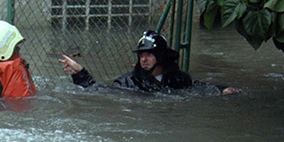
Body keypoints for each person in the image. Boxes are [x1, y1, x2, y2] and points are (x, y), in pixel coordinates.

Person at [59, 30, 237, 95]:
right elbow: (100, 90)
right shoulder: (129, 82)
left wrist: (220, 90)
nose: (144, 59)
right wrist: (80, 72)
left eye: (149, 54)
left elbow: (196, 88)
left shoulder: (178, 79)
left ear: (160, 56)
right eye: (141, 55)